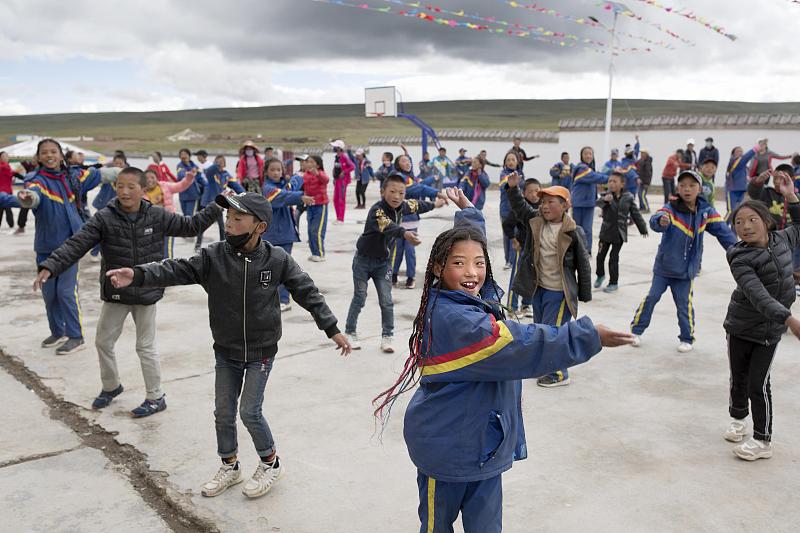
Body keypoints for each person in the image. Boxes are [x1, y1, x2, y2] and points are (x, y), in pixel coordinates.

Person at [372, 187, 633, 533]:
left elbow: (487, 292)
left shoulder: (470, 300)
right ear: (437, 268)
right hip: (446, 452)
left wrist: (470, 219)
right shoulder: (453, 320)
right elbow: (521, 345)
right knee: (437, 527)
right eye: (459, 263)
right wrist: (586, 336)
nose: (473, 272)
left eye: (479, 263)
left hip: (485, 448)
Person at [105, 191, 351, 499]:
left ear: (259, 226)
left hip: (261, 351)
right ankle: (230, 466)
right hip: (226, 350)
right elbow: (175, 268)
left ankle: (271, 463)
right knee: (223, 412)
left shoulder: (277, 259)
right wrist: (138, 274)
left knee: (250, 411)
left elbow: (307, 292)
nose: (229, 224)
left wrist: (331, 328)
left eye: (237, 219)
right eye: (228, 218)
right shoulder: (213, 256)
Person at [33, 166, 221, 416]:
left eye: (131, 186)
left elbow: (190, 226)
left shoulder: (156, 215)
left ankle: (156, 397)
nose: (124, 191)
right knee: (103, 341)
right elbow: (77, 243)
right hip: (117, 291)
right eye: (120, 186)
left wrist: (217, 205)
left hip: (146, 291)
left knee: (145, 346)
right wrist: (50, 266)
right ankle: (111, 386)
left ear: (144, 190)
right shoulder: (104, 217)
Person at [16, 139, 114, 355]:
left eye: (53, 151)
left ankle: (76, 336)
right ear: (38, 157)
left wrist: (129, 175)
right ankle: (57, 331)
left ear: (61, 155)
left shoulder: (74, 176)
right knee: (49, 293)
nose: (49, 155)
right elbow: (33, 196)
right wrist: (27, 198)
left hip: (71, 245)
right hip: (45, 245)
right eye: (44, 152)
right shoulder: (36, 180)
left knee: (65, 292)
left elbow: (102, 175)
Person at [723, 189, 800, 461]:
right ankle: (737, 419)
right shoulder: (739, 257)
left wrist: (791, 196)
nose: (745, 226)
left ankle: (762, 440)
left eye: (752, 219)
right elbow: (758, 295)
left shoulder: (782, 239)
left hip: (770, 331)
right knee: (738, 378)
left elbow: (799, 225)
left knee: (759, 382)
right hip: (741, 326)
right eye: (739, 222)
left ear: (766, 221)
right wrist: (789, 318)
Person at [630, 170, 737, 353]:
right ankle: (636, 331)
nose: (687, 189)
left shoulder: (706, 211)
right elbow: (657, 219)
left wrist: (738, 251)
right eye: (683, 186)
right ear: (677, 188)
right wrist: (660, 222)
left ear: (700, 189)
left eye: (692, 186)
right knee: (652, 297)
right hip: (664, 268)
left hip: (686, 272)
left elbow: (723, 232)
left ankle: (687, 338)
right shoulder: (671, 208)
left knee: (684, 305)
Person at [505, 175, 592, 387]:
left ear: (565, 206)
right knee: (541, 330)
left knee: (554, 333)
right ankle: (546, 367)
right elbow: (519, 207)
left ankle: (559, 374)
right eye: (543, 202)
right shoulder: (536, 222)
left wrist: (584, 294)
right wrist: (513, 189)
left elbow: (583, 264)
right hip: (539, 288)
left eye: (550, 202)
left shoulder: (573, 232)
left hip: (559, 292)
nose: (544, 206)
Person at [344, 174, 445, 353]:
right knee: (360, 297)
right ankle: (350, 332)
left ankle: (387, 336)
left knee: (387, 300)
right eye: (392, 191)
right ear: (383, 191)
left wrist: (435, 204)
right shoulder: (377, 210)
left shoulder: (403, 206)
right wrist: (405, 234)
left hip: (383, 263)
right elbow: (387, 225)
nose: (396, 196)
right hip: (363, 261)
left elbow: (417, 205)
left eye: (401, 192)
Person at [262, 158, 314, 311]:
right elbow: (282, 196)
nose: (276, 172)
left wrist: (300, 173)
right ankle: (275, 298)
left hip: (285, 234)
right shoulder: (268, 188)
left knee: (283, 268)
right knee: (271, 268)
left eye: (279, 170)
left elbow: (295, 182)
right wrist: (300, 197)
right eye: (273, 170)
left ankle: (284, 299)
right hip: (271, 235)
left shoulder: (285, 185)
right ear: (266, 172)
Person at [594, 172, 649, 293]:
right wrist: (605, 200)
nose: (611, 184)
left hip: (619, 234)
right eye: (610, 181)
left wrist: (643, 228)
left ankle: (613, 283)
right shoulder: (606, 195)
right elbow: (597, 203)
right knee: (600, 257)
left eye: (615, 181)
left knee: (613, 259)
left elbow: (636, 214)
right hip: (605, 233)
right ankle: (600, 275)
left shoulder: (628, 197)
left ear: (622, 184)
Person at [502, 177, 540, 316]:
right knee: (517, 277)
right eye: (530, 191)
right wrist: (513, 240)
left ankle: (526, 305)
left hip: (535, 251)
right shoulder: (520, 208)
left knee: (532, 277)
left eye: (537, 191)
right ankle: (512, 307)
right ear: (523, 193)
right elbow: (507, 224)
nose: (534, 194)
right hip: (522, 247)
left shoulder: (543, 207)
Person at [142, 168, 198, 259]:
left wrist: (189, 177)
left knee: (166, 251)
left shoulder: (165, 186)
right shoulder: (141, 193)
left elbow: (181, 186)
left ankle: (168, 269)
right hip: (151, 226)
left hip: (169, 223)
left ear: (157, 178)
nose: (149, 180)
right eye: (146, 178)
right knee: (153, 252)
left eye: (152, 177)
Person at [198, 156, 245, 250]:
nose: (220, 163)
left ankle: (223, 245)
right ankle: (197, 245)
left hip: (218, 204)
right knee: (202, 225)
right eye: (217, 162)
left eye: (222, 162)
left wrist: (245, 195)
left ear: (225, 164)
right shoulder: (211, 174)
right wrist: (216, 165)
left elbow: (236, 186)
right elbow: (209, 171)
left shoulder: (226, 175)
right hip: (207, 202)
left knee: (222, 226)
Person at [570, 146, 609, 255]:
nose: (588, 156)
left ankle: (586, 250)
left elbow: (597, 175)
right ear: (581, 156)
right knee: (577, 228)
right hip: (578, 203)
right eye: (585, 153)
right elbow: (596, 177)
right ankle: (578, 250)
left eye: (590, 154)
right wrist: (611, 177)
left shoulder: (590, 168)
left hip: (588, 204)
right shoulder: (581, 168)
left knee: (587, 229)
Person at [747, 165, 797, 230]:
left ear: (792, 179)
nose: (777, 182)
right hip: (769, 235)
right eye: (775, 178)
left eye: (781, 178)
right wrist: (757, 182)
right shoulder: (767, 193)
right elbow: (753, 193)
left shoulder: (796, 198)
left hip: (789, 237)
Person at [302, 155, 330, 262]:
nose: (308, 164)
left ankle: (320, 253)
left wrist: (318, 174)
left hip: (320, 205)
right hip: (310, 205)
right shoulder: (306, 175)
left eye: (311, 162)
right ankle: (314, 253)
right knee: (310, 230)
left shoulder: (321, 173)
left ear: (317, 165)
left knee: (317, 231)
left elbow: (326, 180)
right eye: (307, 162)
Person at [725, 142, 761, 221]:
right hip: (732, 190)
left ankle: (733, 232)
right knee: (731, 211)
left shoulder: (744, 167)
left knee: (737, 214)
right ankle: (721, 229)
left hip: (741, 190)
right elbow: (745, 158)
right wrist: (755, 149)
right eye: (738, 151)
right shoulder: (734, 161)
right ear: (733, 154)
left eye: (741, 151)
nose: (740, 153)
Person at [499, 152, 522, 269]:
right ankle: (508, 260)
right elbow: (504, 186)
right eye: (508, 160)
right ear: (505, 163)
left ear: (517, 162)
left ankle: (515, 259)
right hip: (506, 210)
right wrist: (512, 182)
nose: (511, 162)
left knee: (517, 234)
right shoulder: (503, 175)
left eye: (513, 159)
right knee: (507, 235)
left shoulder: (521, 174)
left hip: (518, 210)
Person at [176, 148, 204, 219]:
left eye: (185, 154)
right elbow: (180, 175)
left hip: (193, 195)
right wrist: (191, 172)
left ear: (189, 155)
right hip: (182, 194)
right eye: (181, 155)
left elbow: (200, 179)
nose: (183, 156)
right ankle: (186, 230)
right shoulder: (180, 166)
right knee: (185, 215)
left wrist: (207, 186)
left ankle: (190, 230)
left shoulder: (195, 166)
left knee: (189, 216)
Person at [331, 140, 354, 223]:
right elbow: (336, 167)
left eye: (335, 147)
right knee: (335, 199)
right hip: (337, 180)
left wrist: (344, 172)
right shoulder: (337, 157)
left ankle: (341, 218)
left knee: (341, 199)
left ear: (339, 148)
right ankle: (338, 217)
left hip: (343, 181)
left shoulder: (344, 157)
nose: (333, 148)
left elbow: (352, 166)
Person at [0, 151, 23, 229]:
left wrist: (24, 178)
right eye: (4, 156)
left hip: (8, 190)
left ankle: (11, 225)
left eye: (7, 156)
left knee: (7, 209)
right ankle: (11, 225)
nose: (6, 157)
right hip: (2, 191)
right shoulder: (3, 167)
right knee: (6, 209)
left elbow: (13, 173)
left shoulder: (7, 166)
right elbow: (11, 173)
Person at [636, 147, 653, 213]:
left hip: (645, 182)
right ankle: (641, 207)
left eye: (643, 153)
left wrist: (647, 183)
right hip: (640, 181)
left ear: (646, 154)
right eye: (641, 153)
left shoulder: (647, 162)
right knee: (639, 194)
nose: (641, 154)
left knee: (642, 195)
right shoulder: (641, 161)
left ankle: (646, 208)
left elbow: (649, 174)